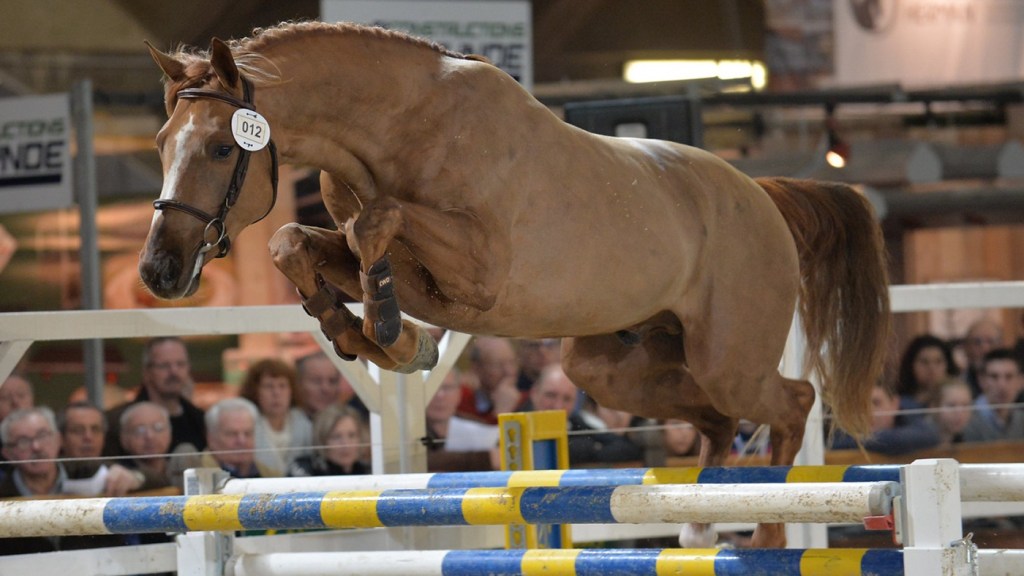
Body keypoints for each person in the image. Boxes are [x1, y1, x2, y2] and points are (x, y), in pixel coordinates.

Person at [0, 407, 144, 555]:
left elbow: (154, 477)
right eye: (23, 441)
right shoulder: (3, 495)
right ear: (8, 453)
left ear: (58, 440)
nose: (36, 447)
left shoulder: (88, 472)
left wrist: (135, 478)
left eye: (42, 436)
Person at [104, 337, 206, 457]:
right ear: (147, 372)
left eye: (180, 364)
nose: (174, 372)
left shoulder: (200, 421)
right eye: (164, 365)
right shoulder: (119, 422)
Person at [239, 358, 313, 477]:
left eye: (282, 386)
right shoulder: (245, 426)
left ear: (292, 390)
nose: (276, 393)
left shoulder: (305, 425)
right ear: (255, 391)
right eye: (268, 386)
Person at [829, 383, 940, 455]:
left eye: (876, 403)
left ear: (894, 404)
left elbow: (930, 435)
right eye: (861, 404)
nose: (869, 412)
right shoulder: (841, 434)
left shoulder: (916, 426)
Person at [424, 369, 498, 472]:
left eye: (447, 388)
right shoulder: (407, 430)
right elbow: (421, 462)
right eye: (432, 388)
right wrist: (485, 459)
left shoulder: (478, 426)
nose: (440, 395)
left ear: (459, 393)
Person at [197, 397, 274, 479]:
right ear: (211, 438)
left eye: (248, 433)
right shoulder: (196, 478)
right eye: (232, 434)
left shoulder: (272, 476)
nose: (242, 441)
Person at [456, 337, 525, 425]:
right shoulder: (459, 401)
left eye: (512, 362)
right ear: (477, 368)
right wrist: (501, 413)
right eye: (497, 365)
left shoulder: (527, 400)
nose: (509, 371)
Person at [288, 404, 370, 476]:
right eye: (337, 437)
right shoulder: (304, 469)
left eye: (352, 435)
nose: (346, 444)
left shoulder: (369, 472)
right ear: (322, 440)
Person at [963, 348, 1024, 442]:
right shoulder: (964, 419)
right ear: (981, 380)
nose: (1002, 385)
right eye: (994, 377)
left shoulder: (1021, 419)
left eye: (1009, 377)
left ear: (1021, 381)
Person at [118, 401, 175, 490]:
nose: (149, 436)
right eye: (139, 430)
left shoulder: (178, 468)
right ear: (124, 438)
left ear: (170, 433)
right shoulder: (119, 476)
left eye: (158, 428)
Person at [296, 351, 366, 419]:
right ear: (299, 383)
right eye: (316, 381)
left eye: (332, 381)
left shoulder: (354, 420)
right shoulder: (291, 423)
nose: (326, 388)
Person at [895, 334, 958, 407]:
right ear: (910, 365)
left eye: (938, 362)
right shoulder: (899, 405)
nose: (932, 368)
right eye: (924, 362)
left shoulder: (959, 401)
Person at [961, 318, 1003, 398]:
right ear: (966, 348)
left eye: (991, 342)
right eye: (977, 342)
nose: (985, 349)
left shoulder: (1017, 384)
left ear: (1001, 346)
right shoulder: (959, 385)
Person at [931, 378, 974, 448]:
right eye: (951, 405)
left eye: (965, 405)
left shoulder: (972, 437)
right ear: (934, 407)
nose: (959, 413)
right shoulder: (920, 438)